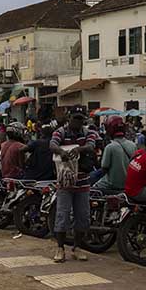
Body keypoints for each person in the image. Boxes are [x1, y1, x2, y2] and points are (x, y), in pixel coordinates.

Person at [50, 112, 99, 262]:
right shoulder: (60, 132)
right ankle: (60, 249)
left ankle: (77, 248)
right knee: (62, 215)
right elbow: (52, 144)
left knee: (82, 217)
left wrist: (79, 149)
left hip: (83, 181)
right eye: (74, 119)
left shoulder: (88, 133)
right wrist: (61, 152)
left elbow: (91, 145)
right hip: (65, 181)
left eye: (80, 119)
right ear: (69, 119)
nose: (77, 122)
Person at [93, 117, 137, 194]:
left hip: (111, 185)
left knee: (91, 185)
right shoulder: (133, 145)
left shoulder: (110, 147)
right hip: (129, 184)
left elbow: (104, 168)